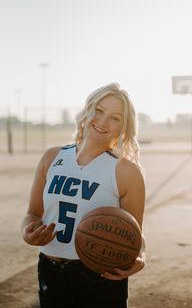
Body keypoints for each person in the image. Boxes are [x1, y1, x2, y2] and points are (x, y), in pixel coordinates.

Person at [21, 82, 146, 308]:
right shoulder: (52, 157)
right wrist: (27, 233)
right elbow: (32, 213)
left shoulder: (127, 172)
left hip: (100, 275)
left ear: (124, 127)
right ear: (88, 110)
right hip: (50, 269)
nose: (103, 121)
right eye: (99, 110)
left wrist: (141, 257)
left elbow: (135, 233)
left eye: (115, 118)